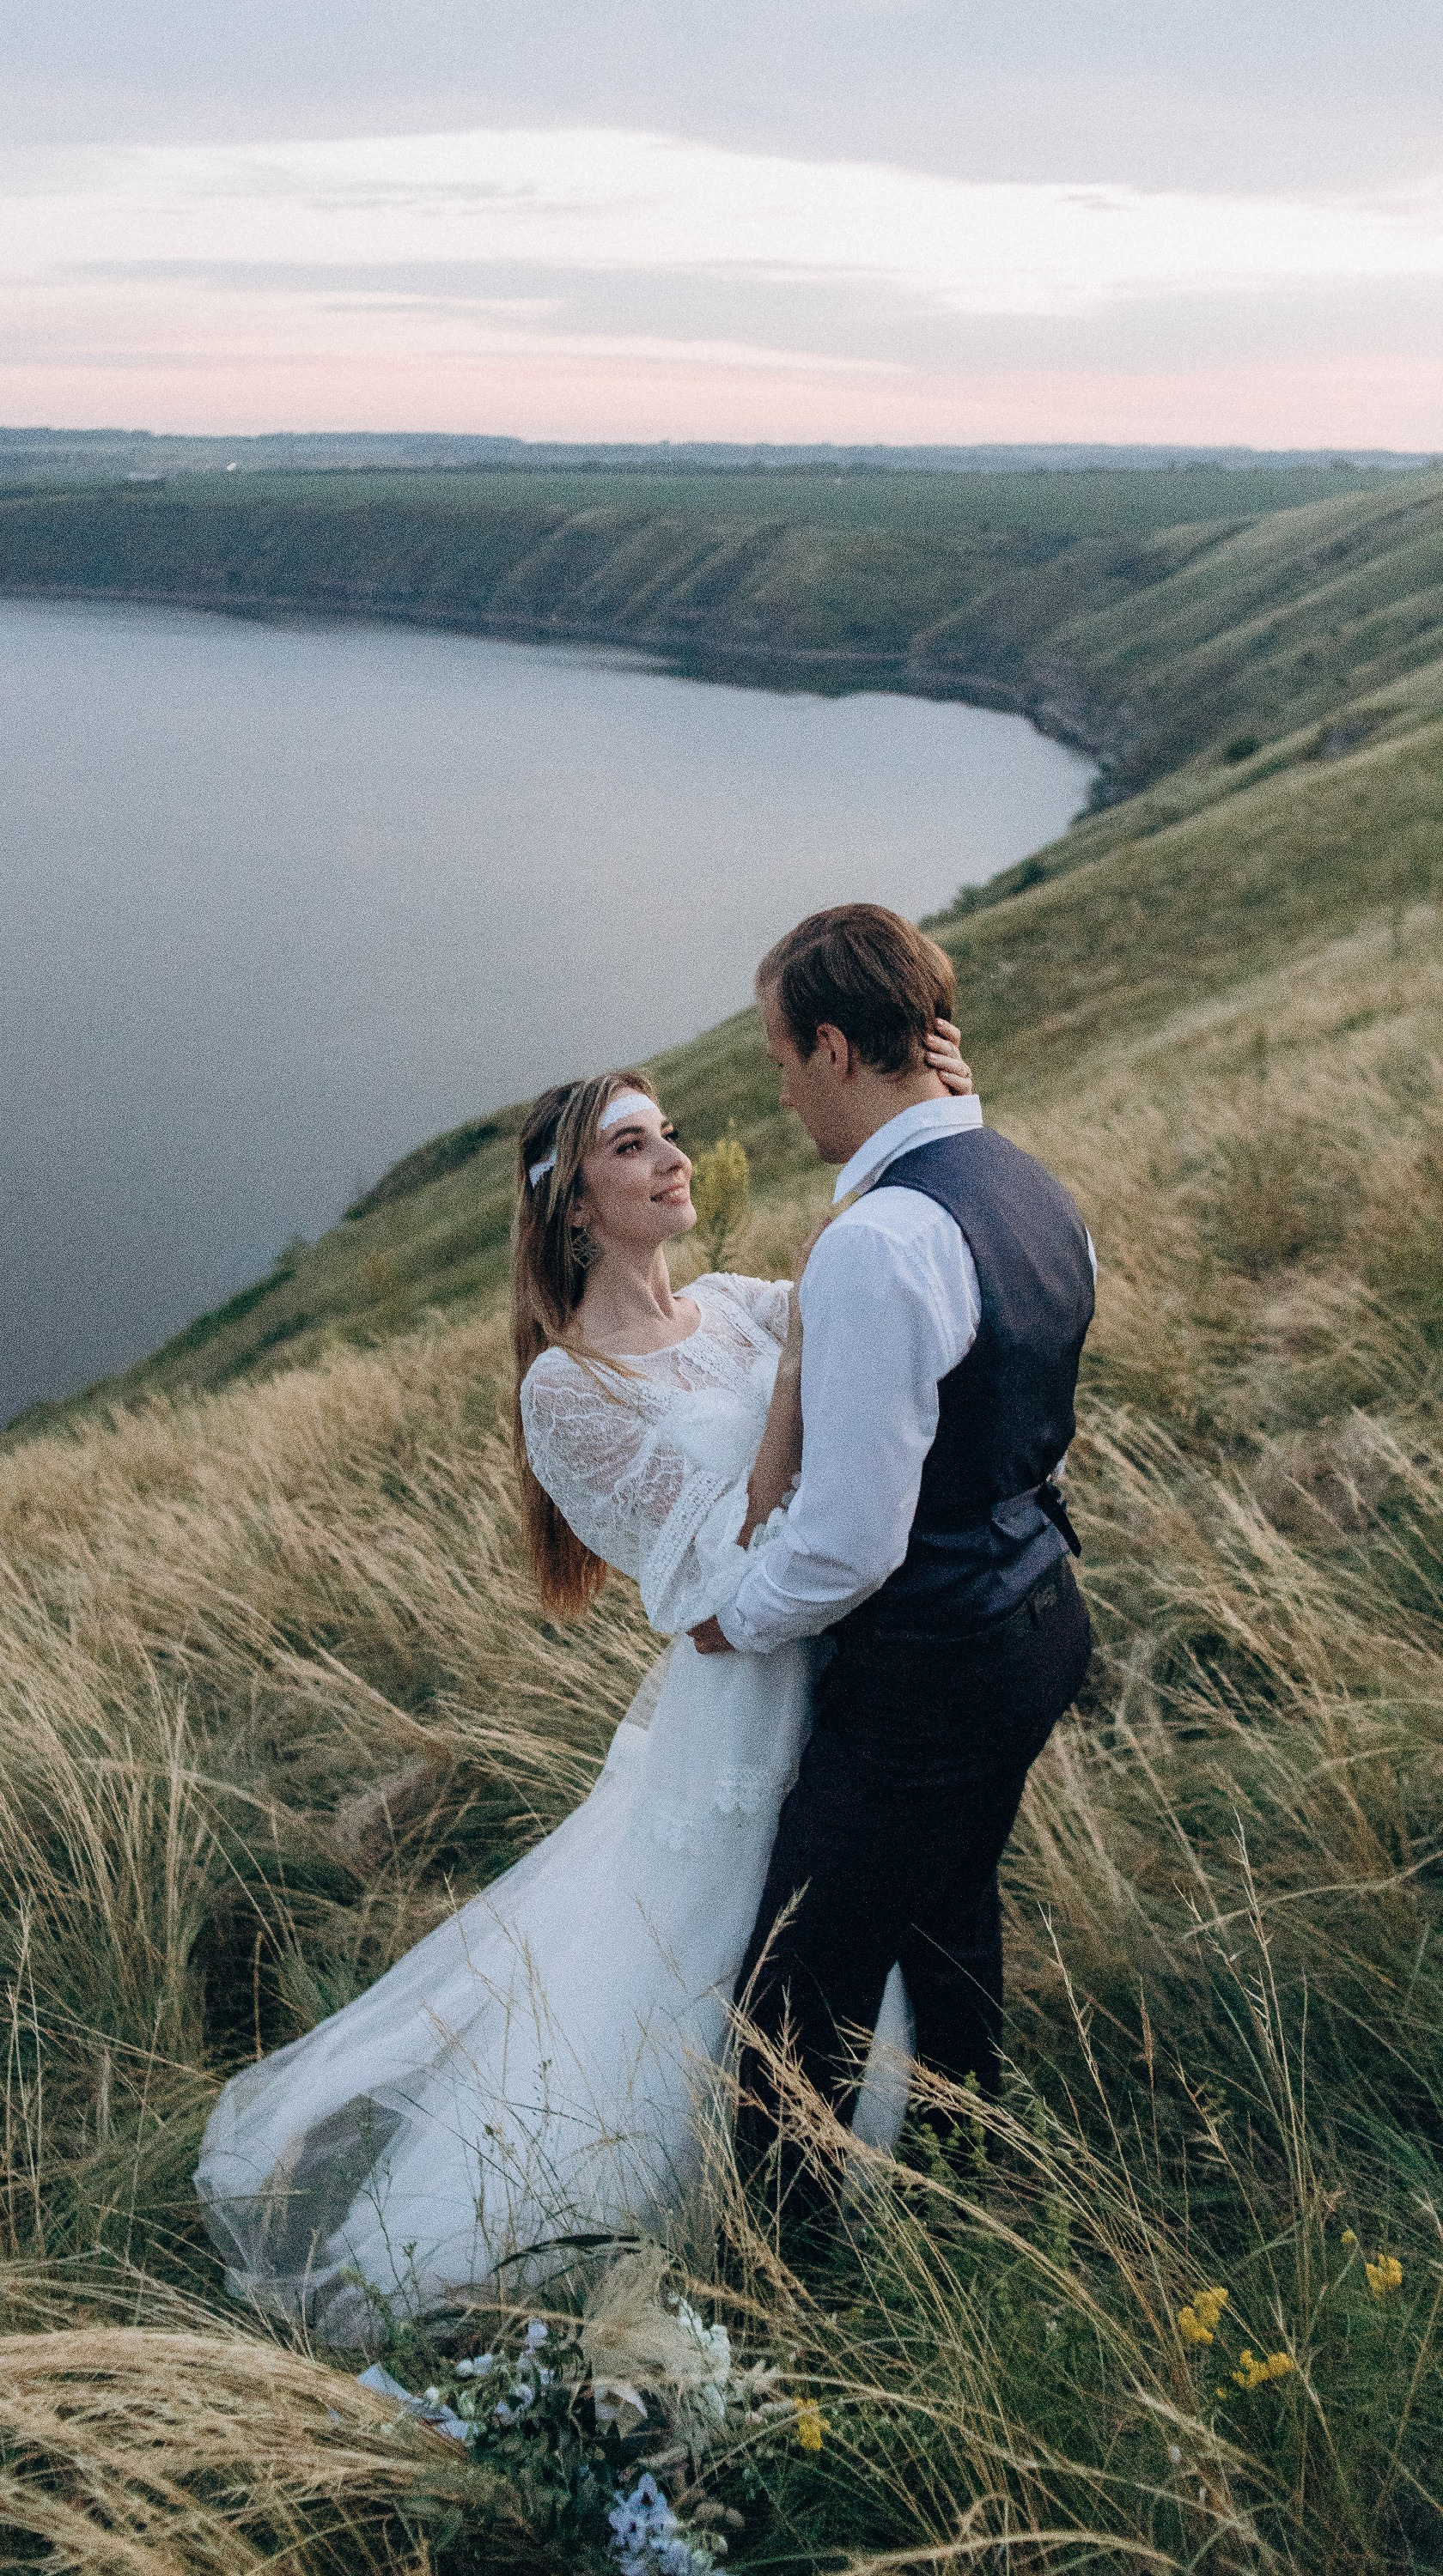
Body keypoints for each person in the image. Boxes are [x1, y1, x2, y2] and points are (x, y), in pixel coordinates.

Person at [193, 1028, 971, 2339]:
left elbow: (891, 1329)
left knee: (861, 1936)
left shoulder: (738, 1302)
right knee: (720, 1974)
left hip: (864, 1674)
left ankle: (884, 2191)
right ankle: (677, 2253)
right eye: (631, 1146)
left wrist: (939, 1115)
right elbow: (714, 1586)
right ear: (573, 1208)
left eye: (667, 1134)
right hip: (749, 1714)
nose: (671, 1160)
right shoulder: (569, 1390)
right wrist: (792, 1398)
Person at [689, 904, 1095, 2233]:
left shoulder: (882, 1241)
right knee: (949, 1919)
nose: (780, 1087)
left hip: (932, 1671)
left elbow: (853, 1541)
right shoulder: (1032, 1187)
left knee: (794, 1997)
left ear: (830, 1045)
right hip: (1037, 1617)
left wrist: (728, 1617)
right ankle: (970, 2190)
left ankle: (793, 2284)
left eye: (777, 1056)